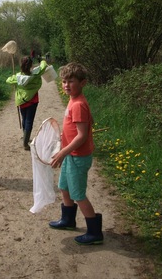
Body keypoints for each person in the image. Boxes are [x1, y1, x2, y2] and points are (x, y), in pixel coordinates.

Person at [49, 62, 103, 245]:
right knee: (64, 187)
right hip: (71, 156)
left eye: (70, 81)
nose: (66, 85)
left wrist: (63, 152)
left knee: (78, 194)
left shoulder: (78, 104)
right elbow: (89, 121)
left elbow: (81, 136)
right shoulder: (74, 100)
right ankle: (68, 220)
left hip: (77, 157)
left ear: (83, 83)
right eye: (64, 81)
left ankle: (95, 232)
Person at [6, 56, 48, 150]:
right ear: (31, 65)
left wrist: (14, 77)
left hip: (22, 101)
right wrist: (42, 60)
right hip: (33, 101)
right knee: (29, 120)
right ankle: (25, 143)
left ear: (21, 65)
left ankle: (25, 137)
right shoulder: (36, 73)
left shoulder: (17, 77)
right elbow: (43, 65)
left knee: (24, 119)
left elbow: (8, 80)